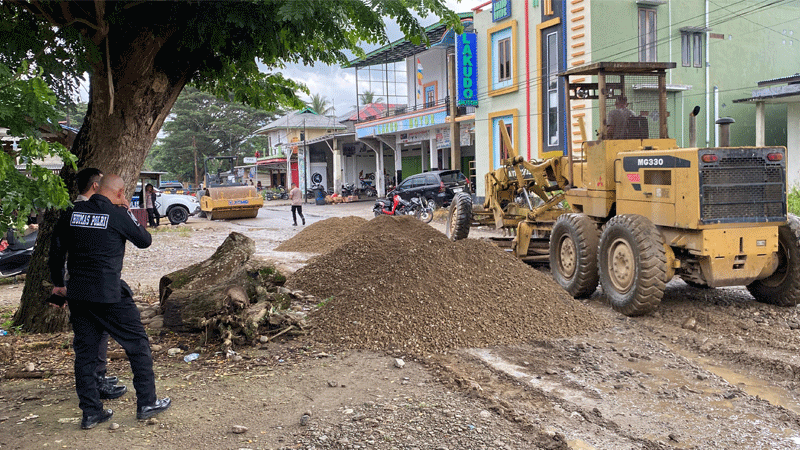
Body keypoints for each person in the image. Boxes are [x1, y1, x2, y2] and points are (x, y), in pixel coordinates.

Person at [49, 174, 171, 429]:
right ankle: (147, 402)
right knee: (138, 345)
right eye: (123, 194)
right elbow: (144, 240)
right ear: (118, 193)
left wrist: (58, 283)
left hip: (79, 295)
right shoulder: (117, 213)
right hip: (109, 294)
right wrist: (127, 211)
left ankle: (91, 413)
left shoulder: (72, 212)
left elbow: (56, 249)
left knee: (85, 355)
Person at [73, 168, 127, 401]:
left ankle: (96, 385)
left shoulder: (75, 211)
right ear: (96, 187)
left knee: (92, 340)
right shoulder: (82, 211)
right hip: (95, 285)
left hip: (80, 286)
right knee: (93, 340)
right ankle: (97, 381)